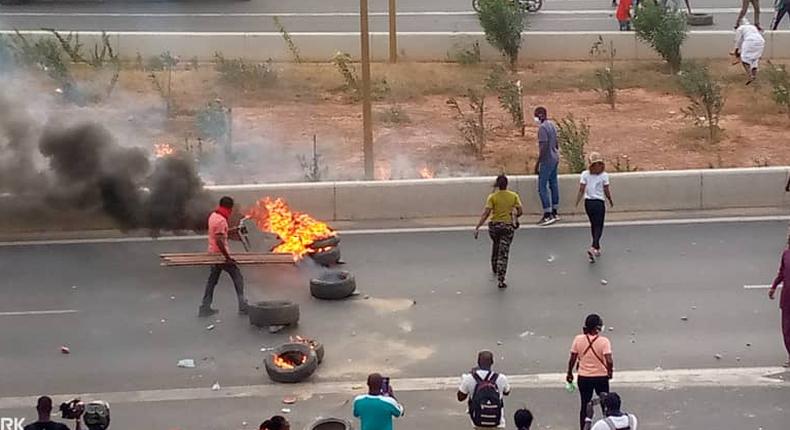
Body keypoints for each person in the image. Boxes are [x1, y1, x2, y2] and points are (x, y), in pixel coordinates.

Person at [199, 196, 249, 318]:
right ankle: (242, 306)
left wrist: (235, 230)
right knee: (238, 278)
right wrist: (227, 258)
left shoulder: (214, 216)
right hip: (221, 255)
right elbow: (219, 240)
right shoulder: (221, 220)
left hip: (213, 253)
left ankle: (204, 307)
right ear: (229, 208)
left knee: (212, 281)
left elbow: (221, 233)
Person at [474, 174, 523, 289]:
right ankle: (501, 279)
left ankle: (494, 265)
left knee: (496, 245)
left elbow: (486, 214)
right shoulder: (514, 196)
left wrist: (478, 226)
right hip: (507, 227)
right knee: (504, 253)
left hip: (494, 227)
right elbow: (520, 211)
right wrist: (514, 216)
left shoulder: (492, 197)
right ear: (507, 184)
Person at [566, 314, 614, 430]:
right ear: (597, 327)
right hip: (601, 377)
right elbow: (609, 360)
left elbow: (572, 358)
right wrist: (610, 372)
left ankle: (584, 427)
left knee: (584, 404)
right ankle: (608, 426)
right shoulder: (604, 341)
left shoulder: (578, 339)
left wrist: (569, 373)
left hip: (584, 377)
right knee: (605, 404)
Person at [575, 153, 614, 264]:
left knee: (593, 224)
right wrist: (610, 200)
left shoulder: (585, 174)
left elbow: (581, 189)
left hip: (588, 203)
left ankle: (597, 247)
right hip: (598, 203)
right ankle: (593, 247)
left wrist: (577, 201)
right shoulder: (604, 176)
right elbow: (606, 190)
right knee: (599, 226)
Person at [457, 350, 511, 429]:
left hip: (478, 423)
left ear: (478, 362)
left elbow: (460, 397)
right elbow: (507, 392)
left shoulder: (469, 378)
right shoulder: (501, 378)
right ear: (492, 362)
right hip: (497, 423)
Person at [533, 106, 560, 226]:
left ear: (540, 115)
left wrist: (538, 163)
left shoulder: (542, 129)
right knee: (553, 184)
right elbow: (556, 143)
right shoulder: (552, 125)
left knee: (542, 186)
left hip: (547, 160)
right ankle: (555, 211)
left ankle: (547, 214)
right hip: (555, 158)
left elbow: (543, 147)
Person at [769, 235, 790, 367]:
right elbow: (782, 272)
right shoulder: (786, 254)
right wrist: (774, 287)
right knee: (787, 329)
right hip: (787, 299)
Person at [731, 19, 765, 85]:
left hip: (750, 41)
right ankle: (754, 75)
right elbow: (762, 32)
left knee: (744, 59)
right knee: (755, 58)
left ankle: (750, 76)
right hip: (761, 41)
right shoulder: (752, 27)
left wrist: (735, 51)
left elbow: (737, 41)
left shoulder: (740, 28)